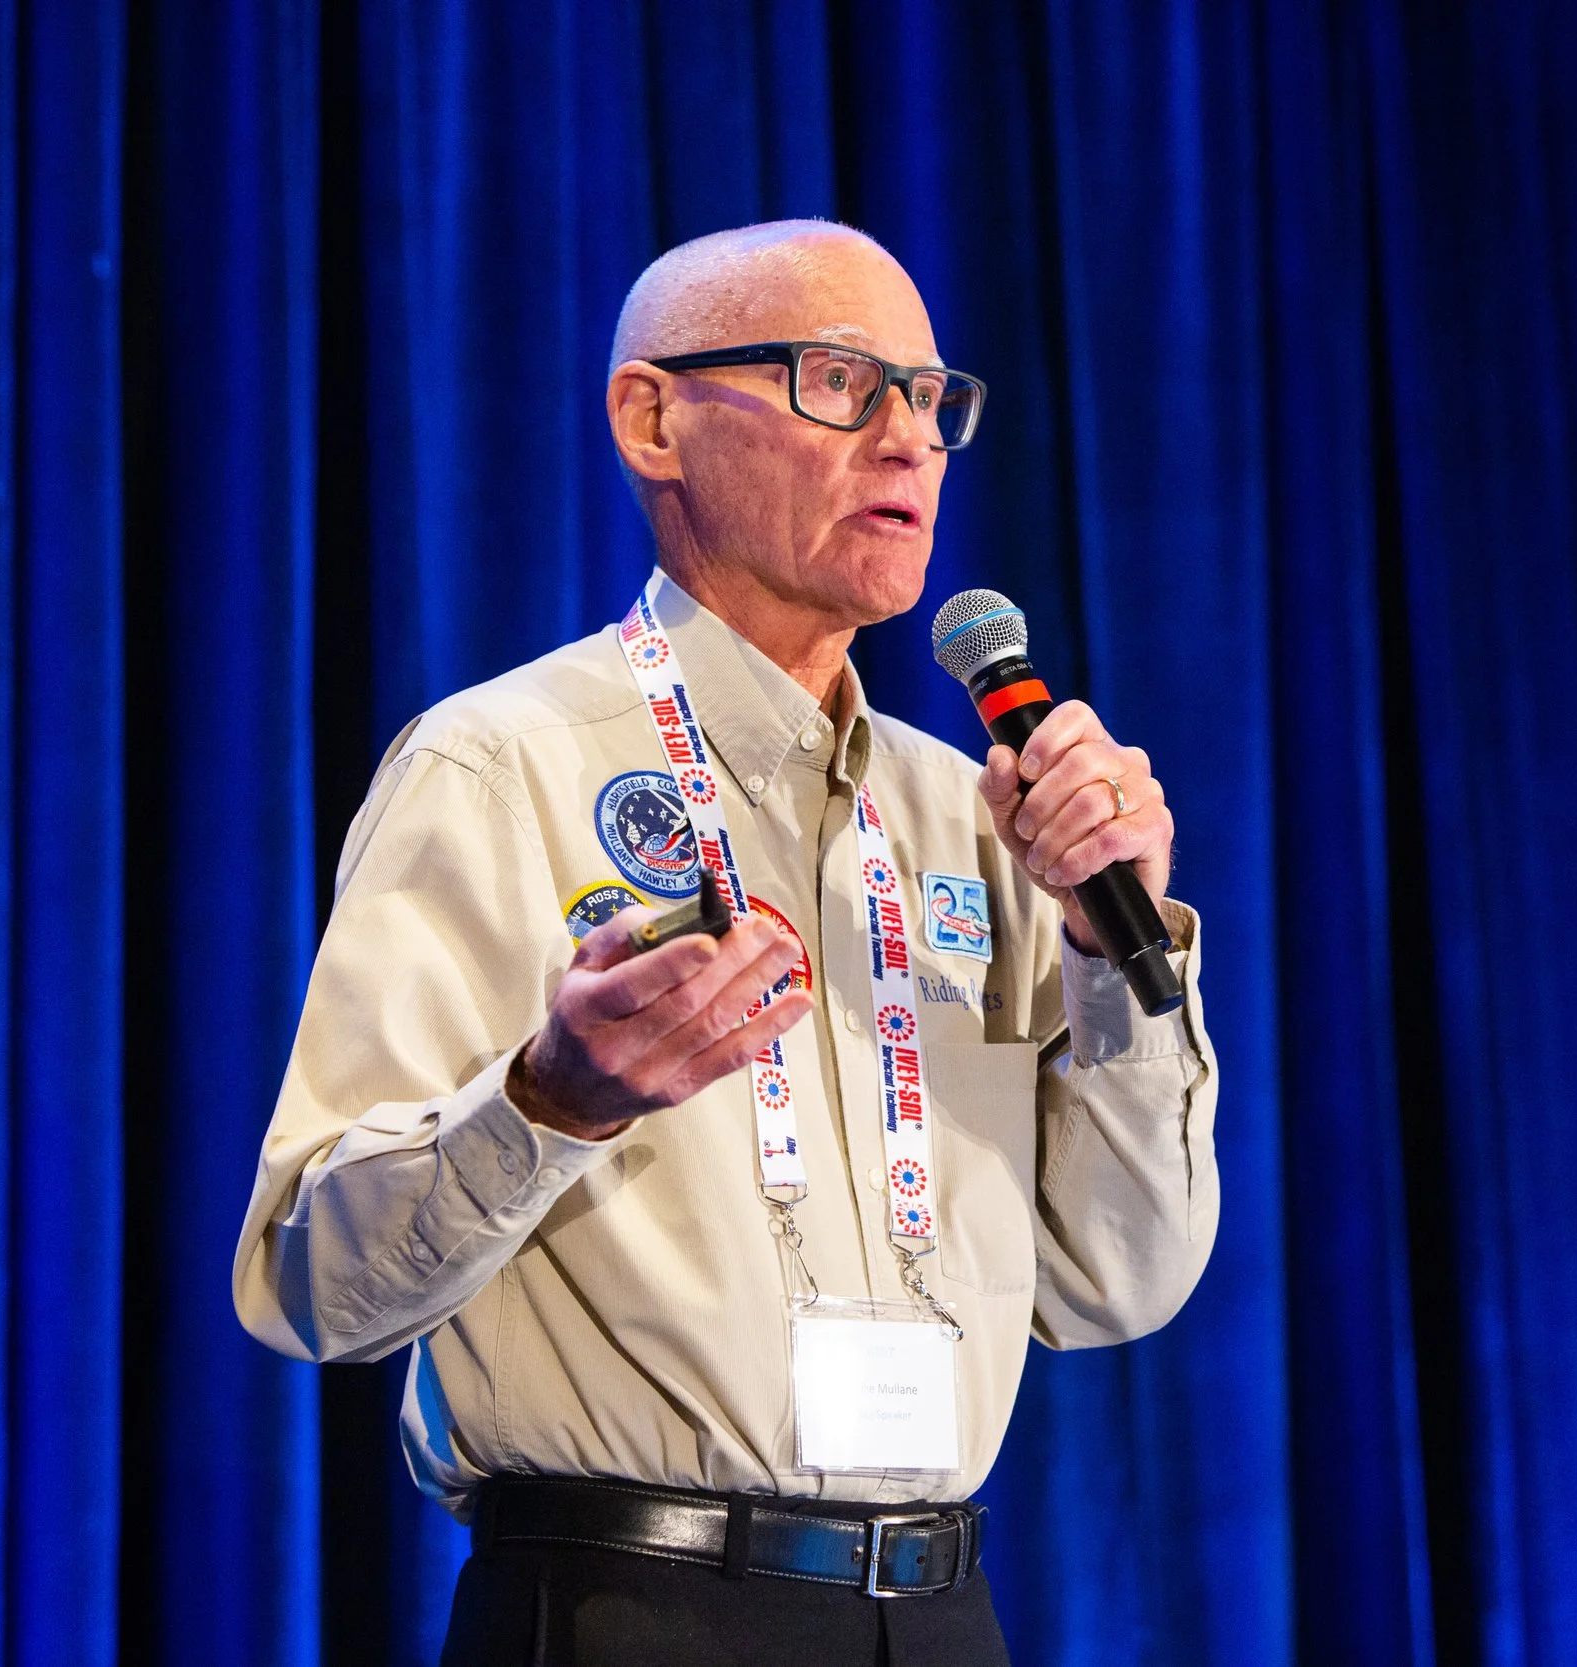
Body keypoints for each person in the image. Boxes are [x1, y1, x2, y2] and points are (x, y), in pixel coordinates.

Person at [233, 220, 1220, 1666]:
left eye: (934, 399)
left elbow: (1111, 1282)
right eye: (842, 380)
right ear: (654, 419)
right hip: (632, 1604)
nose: (909, 442)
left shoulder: (973, 818)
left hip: (939, 1616)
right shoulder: (499, 767)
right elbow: (309, 1281)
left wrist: (1112, 963)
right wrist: (546, 1103)